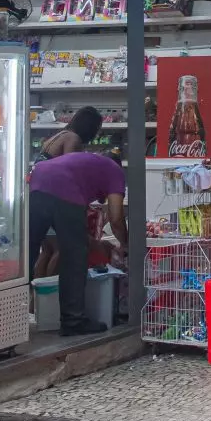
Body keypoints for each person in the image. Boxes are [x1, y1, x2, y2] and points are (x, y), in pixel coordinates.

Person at [29, 151, 129, 335]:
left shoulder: (89, 162)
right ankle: (73, 321)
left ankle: (5, 316)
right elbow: (116, 217)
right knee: (75, 255)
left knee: (28, 250)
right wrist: (126, 244)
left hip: (38, 180)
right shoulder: (116, 171)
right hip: (64, 187)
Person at [31, 106, 103, 278]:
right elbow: (71, 170)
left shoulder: (59, 135)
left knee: (47, 250)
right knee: (61, 249)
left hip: (38, 196)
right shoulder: (73, 139)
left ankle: (37, 296)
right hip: (54, 199)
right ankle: (49, 291)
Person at [34, 105, 103, 162]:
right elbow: (71, 166)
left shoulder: (62, 133)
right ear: (89, 127)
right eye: (97, 128)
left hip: (39, 175)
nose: (98, 132)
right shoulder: (73, 138)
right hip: (50, 177)